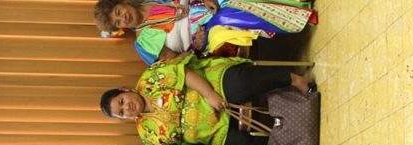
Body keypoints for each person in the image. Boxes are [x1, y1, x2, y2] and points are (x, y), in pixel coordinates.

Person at [99, 54, 315, 145]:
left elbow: (185, 74)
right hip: (213, 132)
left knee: (239, 84)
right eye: (121, 113)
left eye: (122, 101)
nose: (127, 108)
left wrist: (210, 95)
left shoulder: (151, 78)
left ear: (125, 90)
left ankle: (293, 80)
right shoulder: (148, 135)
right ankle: (295, 140)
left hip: (212, 86)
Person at [93, 0, 317, 65]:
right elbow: (175, 62)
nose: (123, 18)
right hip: (204, 35)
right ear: (120, 29)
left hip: (205, 4)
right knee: (229, 14)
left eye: (119, 12)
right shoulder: (143, 43)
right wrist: (196, 48)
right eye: (118, 22)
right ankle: (297, 18)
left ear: (122, 3)